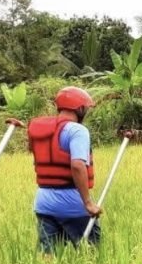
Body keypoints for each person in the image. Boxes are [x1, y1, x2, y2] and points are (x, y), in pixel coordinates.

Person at [28, 87, 101, 253]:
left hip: (43, 203)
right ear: (79, 109)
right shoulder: (77, 130)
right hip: (73, 204)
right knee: (91, 254)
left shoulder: (40, 129)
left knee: (48, 256)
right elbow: (77, 165)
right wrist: (88, 203)